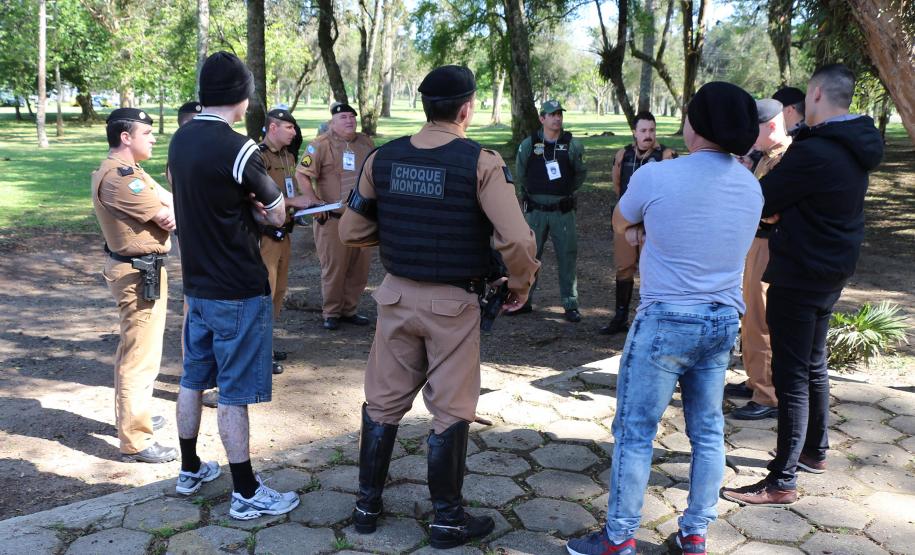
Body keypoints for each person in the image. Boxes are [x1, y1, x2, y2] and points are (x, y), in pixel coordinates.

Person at [339, 65, 540, 549]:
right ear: (466, 108)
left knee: (382, 403)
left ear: (425, 107)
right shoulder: (481, 162)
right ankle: (447, 520)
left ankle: (366, 506)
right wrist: (521, 283)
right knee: (450, 410)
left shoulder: (382, 159)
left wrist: (403, 236)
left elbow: (350, 231)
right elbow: (515, 238)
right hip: (453, 305)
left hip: (395, 297)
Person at [567, 82, 761, 555]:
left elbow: (620, 221)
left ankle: (619, 538)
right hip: (721, 322)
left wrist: (641, 232)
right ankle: (695, 533)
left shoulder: (656, 176)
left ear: (695, 125)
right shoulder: (751, 187)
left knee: (635, 432)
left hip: (665, 320)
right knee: (708, 431)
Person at [722, 64, 883, 506]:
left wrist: (767, 202)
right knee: (813, 364)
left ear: (814, 95)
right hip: (830, 271)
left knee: (792, 377)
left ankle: (781, 481)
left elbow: (763, 199)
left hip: (800, 272)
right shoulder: (855, 144)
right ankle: (815, 451)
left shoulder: (816, 151)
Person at [168, 51, 308, 519]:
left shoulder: (180, 140)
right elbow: (277, 210)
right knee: (233, 392)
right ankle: (246, 492)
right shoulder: (240, 149)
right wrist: (256, 207)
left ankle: (190, 469)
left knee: (191, 379)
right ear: (242, 98)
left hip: (199, 286)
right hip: (238, 288)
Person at [92, 108, 177, 464]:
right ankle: (136, 439)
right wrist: (168, 209)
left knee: (137, 351)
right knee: (139, 358)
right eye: (147, 131)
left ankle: (133, 415)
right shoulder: (120, 177)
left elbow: (172, 203)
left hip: (142, 269)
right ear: (125, 137)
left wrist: (170, 207)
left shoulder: (131, 172)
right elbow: (170, 214)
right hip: (137, 273)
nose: (153, 137)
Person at [728, 99, 792, 421]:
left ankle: (766, 394)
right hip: (756, 243)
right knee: (749, 316)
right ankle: (756, 381)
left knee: (760, 319)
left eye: (755, 129)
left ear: (770, 126)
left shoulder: (785, 158)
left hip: (768, 245)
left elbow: (772, 210)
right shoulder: (766, 157)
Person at [295, 103, 375, 330]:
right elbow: (302, 174)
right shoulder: (320, 145)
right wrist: (313, 201)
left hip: (363, 218)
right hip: (333, 219)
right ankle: (331, 312)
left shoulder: (364, 142)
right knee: (335, 268)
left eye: (352, 117)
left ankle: (350, 309)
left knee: (360, 267)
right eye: (343, 117)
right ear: (332, 122)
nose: (349, 121)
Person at [600, 111, 676, 335]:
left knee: (651, 271)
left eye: (652, 130)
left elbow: (671, 191)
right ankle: (620, 317)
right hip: (627, 223)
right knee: (624, 268)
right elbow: (617, 185)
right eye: (643, 130)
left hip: (653, 225)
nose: (648, 135)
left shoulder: (666, 155)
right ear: (634, 132)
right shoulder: (623, 154)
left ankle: (650, 319)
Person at [512, 99, 587, 322]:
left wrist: (564, 192)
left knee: (567, 256)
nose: (557, 118)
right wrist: (532, 193)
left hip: (562, 212)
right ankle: (524, 300)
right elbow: (521, 173)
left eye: (559, 114)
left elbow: (580, 174)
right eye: (552, 114)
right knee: (530, 256)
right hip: (535, 212)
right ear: (542, 118)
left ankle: (570, 303)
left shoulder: (571, 144)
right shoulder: (529, 144)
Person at [258, 108, 305, 373]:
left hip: (285, 233)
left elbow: (289, 189)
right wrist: (293, 202)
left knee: (278, 292)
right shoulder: (259, 156)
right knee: (264, 292)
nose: (294, 133)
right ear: (273, 128)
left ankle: (267, 346)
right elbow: (257, 197)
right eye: (289, 128)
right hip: (266, 237)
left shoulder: (288, 156)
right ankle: (260, 353)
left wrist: (301, 207)